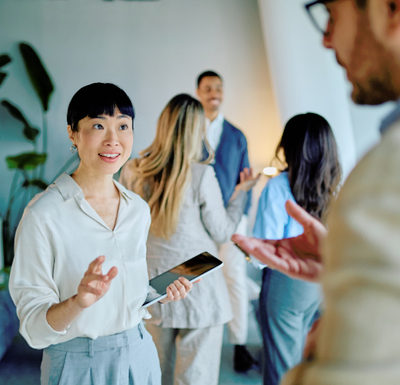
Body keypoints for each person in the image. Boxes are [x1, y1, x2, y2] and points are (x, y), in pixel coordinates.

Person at [233, 0, 400, 383]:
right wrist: (339, 262)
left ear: (390, 9)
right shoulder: (342, 181)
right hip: (315, 281)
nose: (325, 40)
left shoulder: (381, 179)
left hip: (283, 283)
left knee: (279, 356)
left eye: (331, 14)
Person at [9, 83, 194, 385]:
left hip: (140, 351)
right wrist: (77, 302)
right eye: (98, 125)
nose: (113, 140)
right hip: (76, 362)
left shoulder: (137, 209)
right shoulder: (43, 215)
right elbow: (32, 327)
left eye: (123, 126)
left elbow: (124, 292)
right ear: (73, 133)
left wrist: (156, 294)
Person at [120, 93, 259, 385]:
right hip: (198, 284)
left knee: (153, 375)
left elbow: (125, 231)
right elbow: (223, 231)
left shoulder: (133, 171)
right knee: (195, 378)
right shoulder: (201, 175)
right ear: (198, 130)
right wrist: (241, 193)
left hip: (152, 288)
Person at [253, 113, 341, 385]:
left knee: (281, 367)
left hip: (285, 282)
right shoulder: (331, 184)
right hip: (318, 280)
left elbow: (263, 252)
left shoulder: (278, 186)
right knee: (303, 361)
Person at [196, 70, 260, 373]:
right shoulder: (190, 131)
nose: (214, 93)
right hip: (196, 221)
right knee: (197, 276)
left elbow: (245, 183)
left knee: (234, 279)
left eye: (218, 88)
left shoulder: (237, 136)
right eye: (208, 88)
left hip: (231, 221)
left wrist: (239, 222)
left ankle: (239, 345)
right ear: (198, 93)